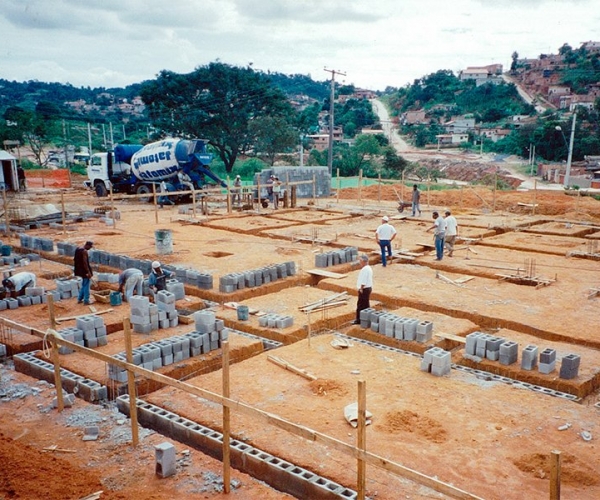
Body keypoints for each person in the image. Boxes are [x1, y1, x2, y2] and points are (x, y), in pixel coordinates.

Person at [354, 254, 373, 325]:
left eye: (360, 261)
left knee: (360, 305)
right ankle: (366, 319)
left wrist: (361, 288)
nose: (359, 262)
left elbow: (364, 280)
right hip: (367, 288)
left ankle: (358, 320)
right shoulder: (368, 268)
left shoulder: (365, 269)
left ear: (363, 261)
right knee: (365, 305)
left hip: (364, 289)